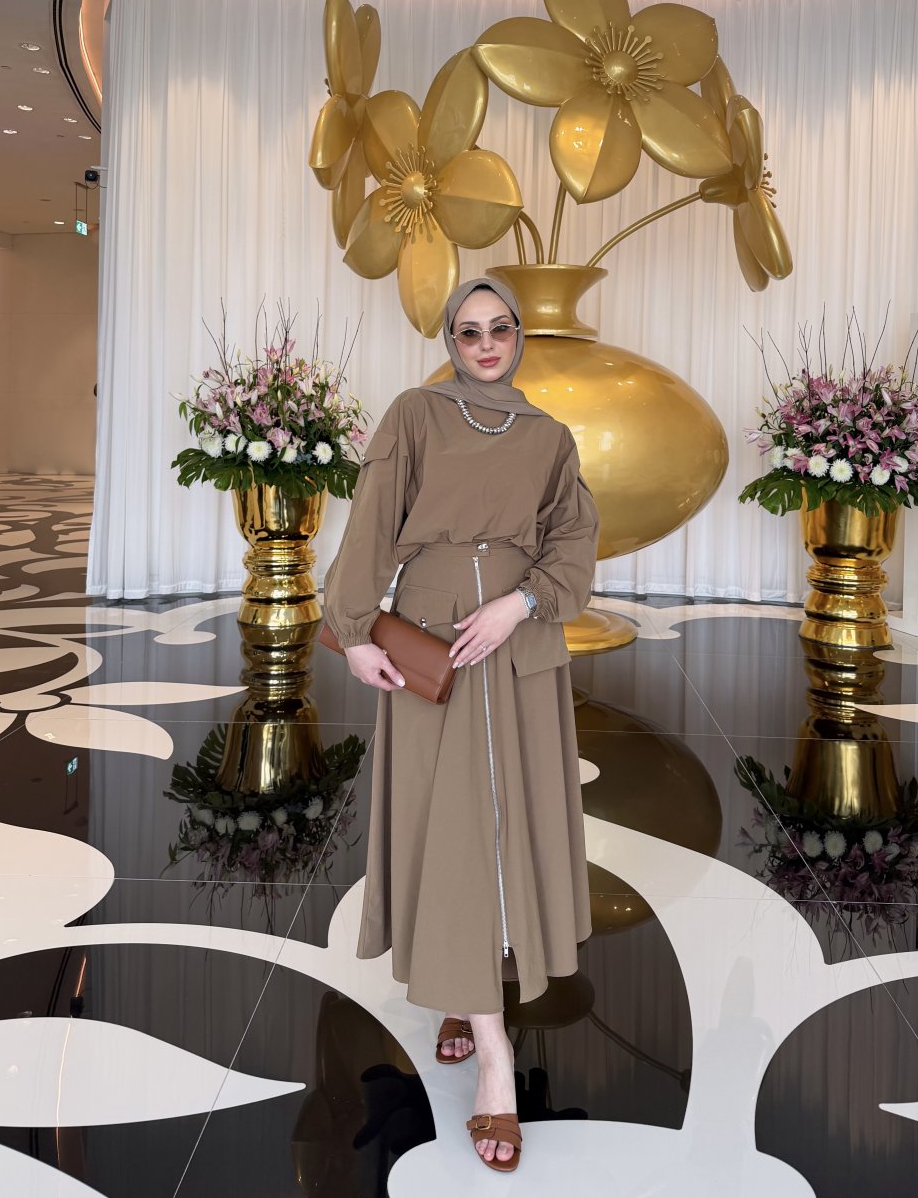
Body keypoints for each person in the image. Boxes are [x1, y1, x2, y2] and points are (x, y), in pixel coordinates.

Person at [323, 276, 599, 1173]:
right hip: (433, 631)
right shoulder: (415, 413)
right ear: (450, 338)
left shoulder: (548, 436)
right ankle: (493, 1058)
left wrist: (522, 602)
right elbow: (371, 523)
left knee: (506, 824)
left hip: (516, 639)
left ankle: (463, 990)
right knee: (451, 829)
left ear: (519, 336)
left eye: (499, 329)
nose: (485, 344)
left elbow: (574, 539)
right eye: (469, 331)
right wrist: (354, 630)